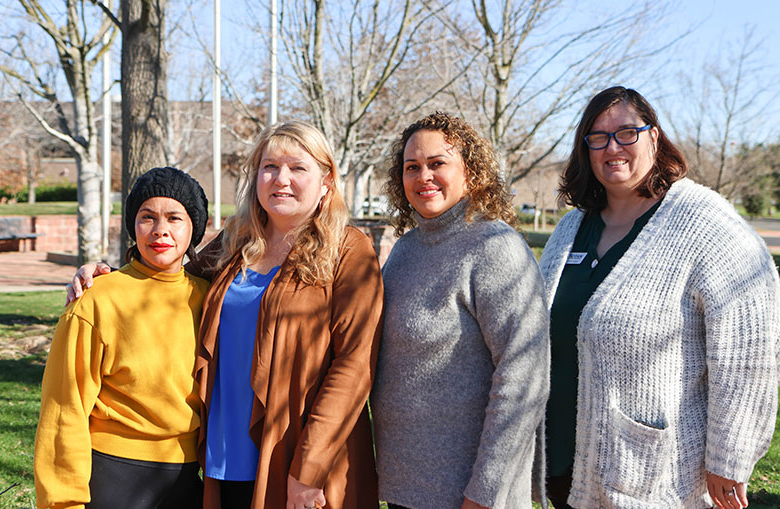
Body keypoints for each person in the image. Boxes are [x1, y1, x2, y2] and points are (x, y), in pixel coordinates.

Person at [68, 122, 383, 509]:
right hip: (226, 456)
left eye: (298, 168)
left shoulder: (348, 249)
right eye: (269, 166)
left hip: (297, 457)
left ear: (326, 180)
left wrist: (309, 467)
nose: (281, 179)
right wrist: (105, 275)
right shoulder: (238, 239)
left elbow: (355, 366)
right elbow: (168, 276)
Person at [539, 86, 780, 509]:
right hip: (561, 461)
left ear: (654, 137)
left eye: (626, 132)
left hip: (647, 474)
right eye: (597, 137)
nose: (612, 147)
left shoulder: (707, 225)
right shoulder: (570, 228)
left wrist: (731, 455)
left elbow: (747, 354)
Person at [371, 112, 550, 509]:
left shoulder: (494, 248)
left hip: (471, 496)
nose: (423, 176)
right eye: (412, 167)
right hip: (405, 489)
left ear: (471, 172)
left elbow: (524, 379)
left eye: (438, 164)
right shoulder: (405, 251)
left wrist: (487, 493)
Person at [34, 167, 211, 509]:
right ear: (133, 225)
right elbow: (63, 409)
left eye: (175, 218)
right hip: (112, 475)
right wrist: (62, 501)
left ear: (194, 229)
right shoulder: (97, 300)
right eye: (148, 217)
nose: (160, 231)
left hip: (187, 477)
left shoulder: (210, 298)